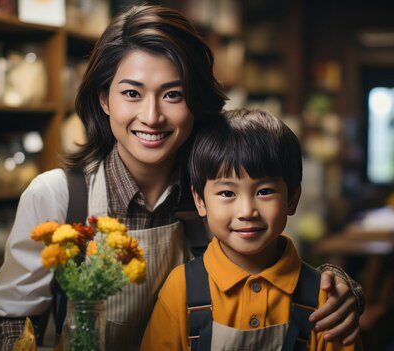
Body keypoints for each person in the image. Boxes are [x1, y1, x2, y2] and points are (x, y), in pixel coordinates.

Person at [0, 5, 362, 351]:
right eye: (132, 93)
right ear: (104, 99)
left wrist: (339, 287)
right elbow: (13, 318)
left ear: (196, 102)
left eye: (173, 95)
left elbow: (273, 263)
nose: (151, 116)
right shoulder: (60, 197)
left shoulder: (216, 192)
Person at [141, 108, 363, 350]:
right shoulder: (181, 288)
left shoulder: (325, 299)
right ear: (200, 201)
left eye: (264, 191)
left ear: (292, 198)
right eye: (227, 193)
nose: (247, 211)